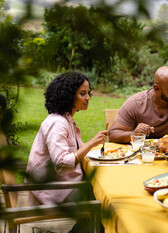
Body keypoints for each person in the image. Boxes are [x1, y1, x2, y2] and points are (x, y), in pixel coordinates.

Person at [26, 71, 108, 205]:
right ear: (68, 96)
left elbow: (72, 150)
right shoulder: (57, 123)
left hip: (60, 183)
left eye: (88, 93)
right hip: (52, 189)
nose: (88, 98)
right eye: (83, 93)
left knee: (102, 186)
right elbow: (61, 164)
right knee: (103, 196)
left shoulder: (66, 119)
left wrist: (92, 143)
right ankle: (87, 225)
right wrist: (92, 143)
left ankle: (88, 224)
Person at [109, 66, 168, 143]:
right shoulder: (135, 103)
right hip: (141, 157)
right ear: (156, 88)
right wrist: (134, 134)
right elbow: (113, 134)